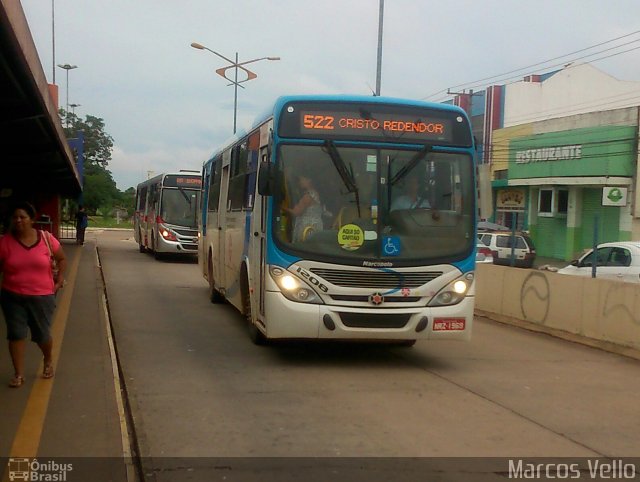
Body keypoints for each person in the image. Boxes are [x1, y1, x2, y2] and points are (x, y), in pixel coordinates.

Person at [0, 201, 66, 388]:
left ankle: (47, 359)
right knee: (16, 334)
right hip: (12, 296)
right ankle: (18, 374)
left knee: (42, 335)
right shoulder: (5, 242)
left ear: (32, 219)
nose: (18, 221)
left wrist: (59, 280)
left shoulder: (46, 238)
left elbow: (61, 259)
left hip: (42, 296)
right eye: (15, 217)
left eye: (23, 217)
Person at [284, 175, 323, 242]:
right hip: (316, 226)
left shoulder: (307, 196)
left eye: (302, 179)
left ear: (309, 180)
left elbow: (297, 212)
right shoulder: (315, 193)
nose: (300, 182)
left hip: (307, 228)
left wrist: (283, 208)